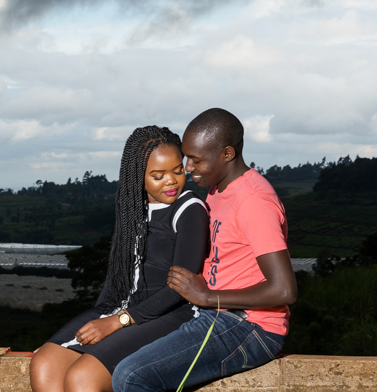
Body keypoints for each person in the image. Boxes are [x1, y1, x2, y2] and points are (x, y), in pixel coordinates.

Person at [112, 108, 297, 392]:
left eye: (197, 160)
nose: (188, 168)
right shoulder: (218, 188)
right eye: (187, 158)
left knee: (132, 375)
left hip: (249, 327)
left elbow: (284, 290)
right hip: (212, 314)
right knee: (114, 354)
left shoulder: (254, 202)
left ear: (227, 154)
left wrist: (207, 296)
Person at [31, 126, 208, 392]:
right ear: (138, 177)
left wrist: (118, 321)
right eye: (158, 176)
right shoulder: (132, 208)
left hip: (171, 314)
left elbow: (180, 290)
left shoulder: (189, 209)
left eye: (178, 170)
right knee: (44, 363)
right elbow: (117, 279)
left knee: (82, 378)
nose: (171, 181)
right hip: (122, 307)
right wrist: (66, 340)